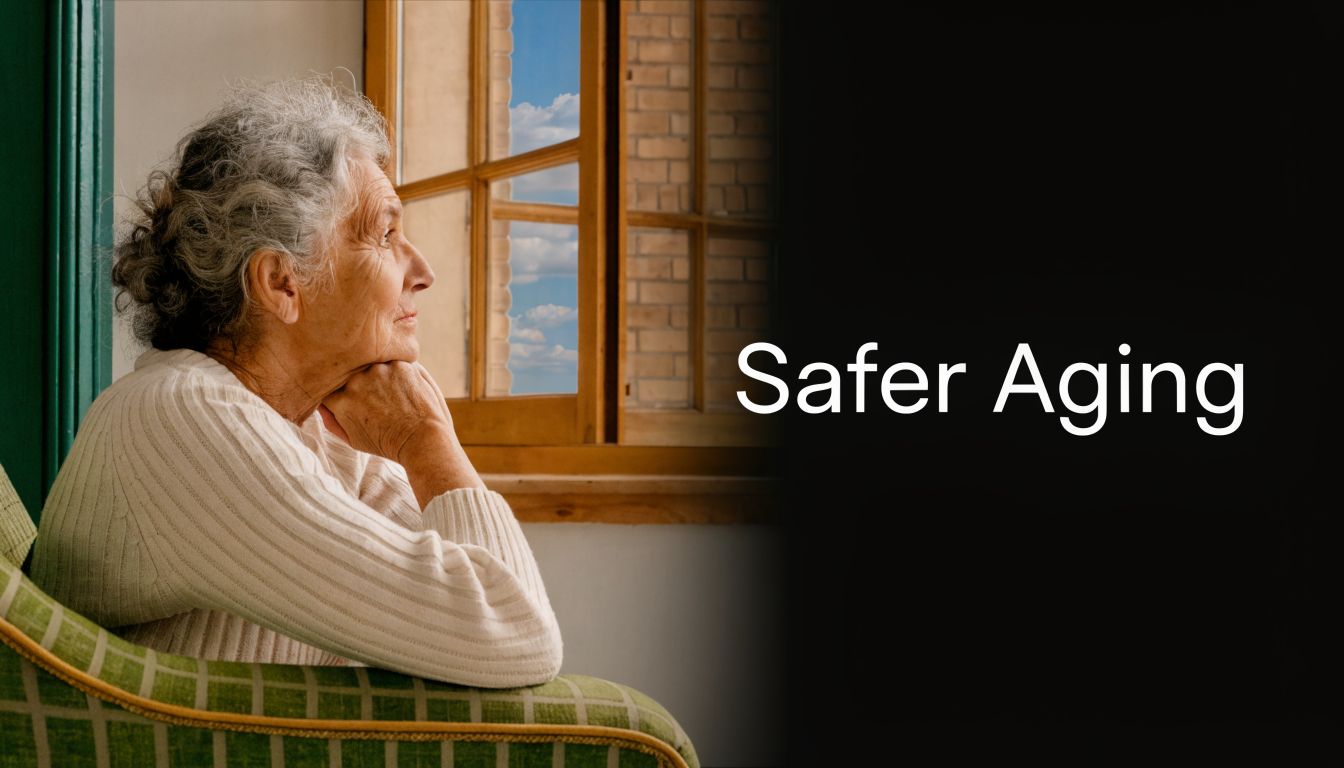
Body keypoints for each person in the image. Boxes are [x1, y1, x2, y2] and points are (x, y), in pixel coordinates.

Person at [28, 75, 563, 689]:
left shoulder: (316, 427)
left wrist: (413, 441)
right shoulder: (179, 417)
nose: (423, 271)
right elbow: (512, 635)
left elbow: (494, 603)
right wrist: (426, 441)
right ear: (282, 282)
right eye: (385, 234)